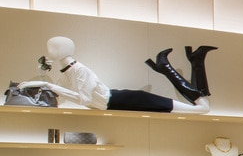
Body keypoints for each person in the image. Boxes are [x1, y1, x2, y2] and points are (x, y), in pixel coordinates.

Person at [17, 36, 213, 113]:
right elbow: (59, 99)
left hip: (125, 99)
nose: (48, 51)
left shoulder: (80, 70)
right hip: (118, 102)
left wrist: (47, 85)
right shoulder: (68, 72)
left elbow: (84, 99)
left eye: (51, 47)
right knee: (202, 107)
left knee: (203, 109)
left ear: (62, 50)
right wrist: (42, 78)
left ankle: (170, 67)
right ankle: (181, 64)